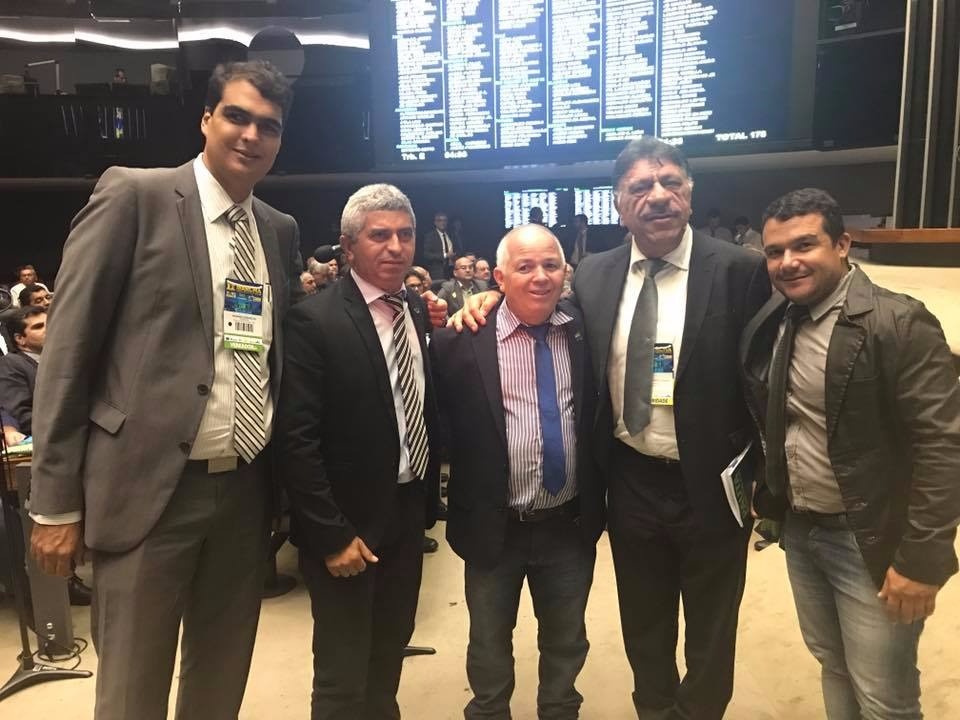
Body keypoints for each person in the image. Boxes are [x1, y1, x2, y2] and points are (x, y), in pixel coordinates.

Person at [453, 136, 770, 719]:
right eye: (640, 187)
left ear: (690, 192)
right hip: (630, 483)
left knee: (712, 627)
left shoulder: (741, 270)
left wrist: (765, 479)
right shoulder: (596, 275)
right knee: (643, 624)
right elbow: (534, 302)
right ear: (620, 205)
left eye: (670, 182)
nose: (658, 196)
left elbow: (767, 379)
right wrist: (482, 302)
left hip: (712, 484)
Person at [28, 60, 301, 720]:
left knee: (219, 684)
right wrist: (54, 504)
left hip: (245, 492)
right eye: (236, 116)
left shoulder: (278, 230)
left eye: (268, 126)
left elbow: (279, 354)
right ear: (206, 118)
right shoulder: (135, 196)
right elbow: (67, 353)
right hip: (147, 488)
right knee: (132, 692)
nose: (251, 135)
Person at [741, 188, 960, 720]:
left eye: (804, 245)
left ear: (842, 245)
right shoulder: (778, 316)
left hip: (869, 539)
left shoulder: (899, 323)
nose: (788, 262)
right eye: (775, 252)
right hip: (801, 529)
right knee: (834, 666)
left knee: (885, 698)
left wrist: (921, 560)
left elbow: (944, 446)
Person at [276, 183, 441, 719]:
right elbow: (297, 440)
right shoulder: (313, 320)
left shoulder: (413, 308)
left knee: (387, 657)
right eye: (380, 235)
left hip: (406, 513)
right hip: (345, 525)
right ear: (348, 247)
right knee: (342, 676)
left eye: (405, 234)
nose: (396, 246)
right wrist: (331, 535)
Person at [431, 224, 604, 719]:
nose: (540, 277)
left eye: (550, 265)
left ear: (565, 272)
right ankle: (489, 711)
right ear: (500, 278)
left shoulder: (586, 331)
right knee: (488, 641)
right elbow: (435, 425)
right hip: (494, 525)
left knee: (567, 638)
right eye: (524, 267)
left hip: (567, 524)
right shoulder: (460, 340)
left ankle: (560, 710)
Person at [422, 211, 458, 280]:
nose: (442, 222)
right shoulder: (430, 236)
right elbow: (427, 255)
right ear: (435, 222)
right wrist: (445, 255)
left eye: (445, 220)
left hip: (452, 269)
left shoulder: (451, 235)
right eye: (440, 220)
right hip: (438, 271)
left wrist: (455, 255)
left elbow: (456, 249)